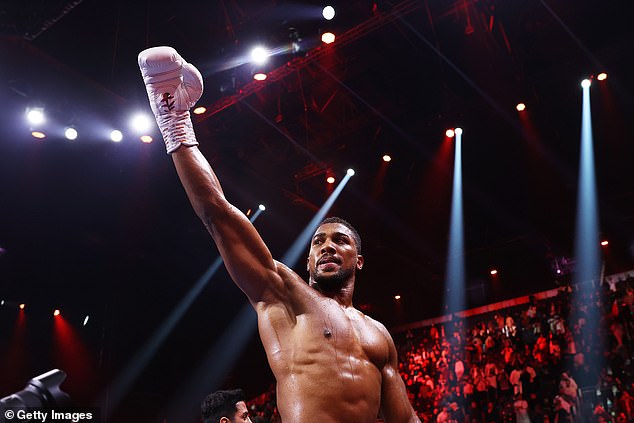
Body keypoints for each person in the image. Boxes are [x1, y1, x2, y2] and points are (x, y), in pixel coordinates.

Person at [138, 46, 421, 423]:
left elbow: (405, 420)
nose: (327, 247)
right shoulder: (284, 294)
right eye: (318, 242)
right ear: (307, 260)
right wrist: (176, 127)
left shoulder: (379, 336)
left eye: (340, 240)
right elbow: (217, 213)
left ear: (360, 260)